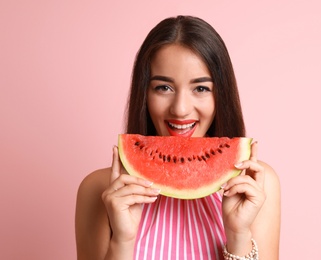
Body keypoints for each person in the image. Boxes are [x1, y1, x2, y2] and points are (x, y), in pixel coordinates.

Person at [75, 15, 281, 260]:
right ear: (144, 94)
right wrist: (122, 240)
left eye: (201, 88)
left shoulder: (257, 185)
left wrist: (238, 235)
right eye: (164, 87)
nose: (180, 109)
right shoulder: (100, 190)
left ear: (221, 96)